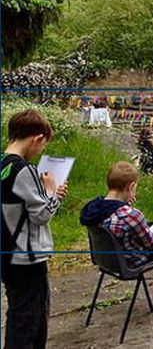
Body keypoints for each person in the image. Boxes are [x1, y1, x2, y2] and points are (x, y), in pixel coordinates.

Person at [80, 162, 153, 308]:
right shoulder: (131, 216)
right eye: (135, 188)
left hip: (107, 260)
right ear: (130, 187)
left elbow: (121, 226)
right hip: (131, 261)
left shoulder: (93, 208)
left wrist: (126, 204)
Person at [1, 109, 68, 349]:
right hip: (26, 257)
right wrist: (51, 191)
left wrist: (49, 194)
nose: (41, 151)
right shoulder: (24, 169)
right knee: (31, 321)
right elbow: (42, 215)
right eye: (42, 146)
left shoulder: (2, 166)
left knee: (18, 315)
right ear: (37, 138)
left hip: (6, 253)